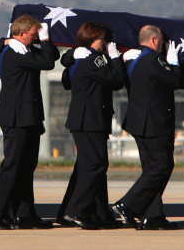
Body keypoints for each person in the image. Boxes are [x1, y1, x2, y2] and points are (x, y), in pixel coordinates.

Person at [0, 14, 59, 229]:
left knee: (25, 167)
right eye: (33, 34)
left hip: (27, 116)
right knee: (13, 165)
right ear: (20, 33)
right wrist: (45, 40)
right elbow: (48, 61)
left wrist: (8, 41)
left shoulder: (18, 49)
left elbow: (54, 55)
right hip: (17, 118)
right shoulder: (15, 52)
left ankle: (24, 213)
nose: (35, 38)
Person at [112, 25, 184, 230]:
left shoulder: (135, 61)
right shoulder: (154, 60)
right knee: (162, 167)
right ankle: (127, 204)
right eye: (162, 41)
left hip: (140, 122)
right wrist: (174, 63)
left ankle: (152, 216)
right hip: (154, 123)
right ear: (153, 40)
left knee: (151, 169)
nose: (163, 45)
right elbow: (175, 81)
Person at [59, 21, 125, 230]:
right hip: (90, 120)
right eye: (102, 39)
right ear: (93, 39)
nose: (105, 42)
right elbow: (116, 80)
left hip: (85, 120)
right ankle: (77, 211)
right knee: (95, 166)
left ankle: (97, 213)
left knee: (91, 167)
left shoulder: (80, 59)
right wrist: (114, 57)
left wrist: (69, 57)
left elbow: (66, 80)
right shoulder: (93, 59)